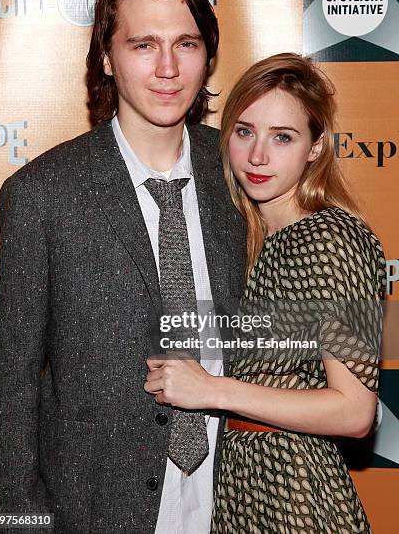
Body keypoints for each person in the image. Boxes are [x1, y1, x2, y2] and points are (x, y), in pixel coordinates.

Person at [0, 0, 246, 533]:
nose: (168, 68)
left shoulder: (240, 174)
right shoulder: (42, 194)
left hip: (228, 501)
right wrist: (19, 523)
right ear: (105, 59)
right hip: (93, 510)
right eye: (143, 45)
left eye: (186, 44)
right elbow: (9, 385)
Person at [144, 53, 386, 533]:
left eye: (283, 137)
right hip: (238, 489)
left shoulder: (333, 239)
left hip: (296, 495)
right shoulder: (247, 240)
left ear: (316, 147)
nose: (258, 156)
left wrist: (211, 391)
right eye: (244, 131)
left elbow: (356, 410)